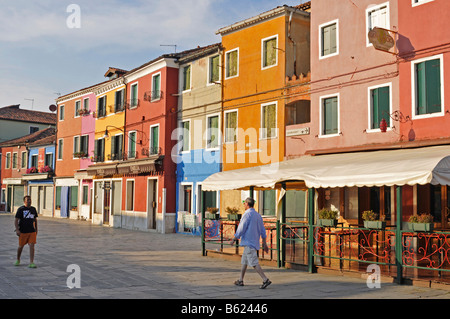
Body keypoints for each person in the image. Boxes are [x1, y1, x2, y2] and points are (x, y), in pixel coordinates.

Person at [230, 197, 272, 289]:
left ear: (247, 204)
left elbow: (241, 228)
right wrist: (264, 243)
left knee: (253, 262)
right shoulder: (258, 215)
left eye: (244, 203)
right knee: (244, 261)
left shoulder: (247, 215)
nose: (243, 205)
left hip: (249, 242)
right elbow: (263, 231)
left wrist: (234, 238)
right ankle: (240, 280)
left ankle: (265, 279)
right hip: (253, 242)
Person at [14, 195, 38, 268]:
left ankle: (31, 262)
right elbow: (16, 220)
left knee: (32, 245)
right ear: (24, 201)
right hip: (23, 231)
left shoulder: (33, 209)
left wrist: (36, 229)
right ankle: (18, 259)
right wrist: (17, 230)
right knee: (20, 246)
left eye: (30, 200)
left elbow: (35, 219)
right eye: (28, 200)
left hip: (31, 231)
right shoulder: (21, 209)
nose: (29, 201)